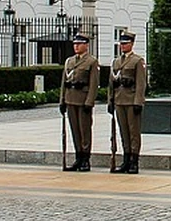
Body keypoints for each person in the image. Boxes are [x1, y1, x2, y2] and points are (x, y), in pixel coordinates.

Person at [108, 31, 147, 174]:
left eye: (125, 43)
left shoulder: (137, 61)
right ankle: (126, 158)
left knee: (133, 132)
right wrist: (110, 101)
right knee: (123, 131)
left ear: (131, 44)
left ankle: (134, 161)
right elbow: (111, 84)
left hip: (131, 100)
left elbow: (141, 83)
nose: (122, 46)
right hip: (119, 100)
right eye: (121, 44)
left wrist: (138, 101)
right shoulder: (116, 62)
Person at [59, 33, 100, 172]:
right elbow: (64, 83)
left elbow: (94, 84)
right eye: (75, 44)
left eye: (79, 44)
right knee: (75, 130)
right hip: (70, 99)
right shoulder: (69, 61)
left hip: (83, 101)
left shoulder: (91, 62)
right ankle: (78, 156)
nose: (76, 46)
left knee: (84, 131)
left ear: (86, 45)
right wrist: (62, 100)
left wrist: (90, 101)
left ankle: (85, 159)